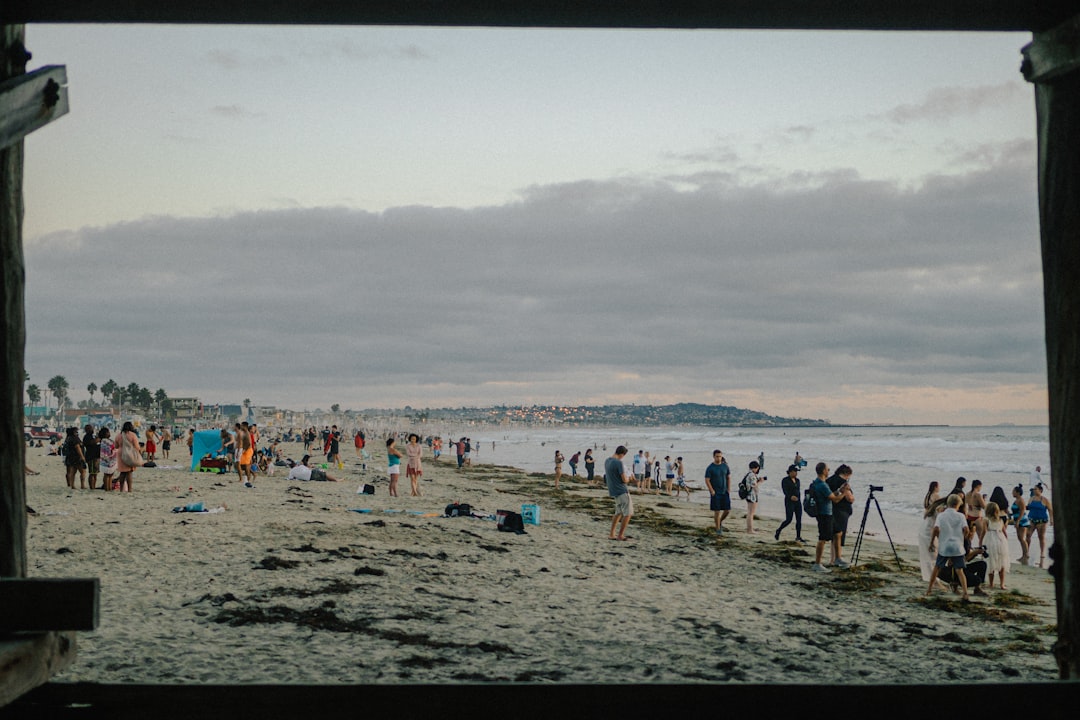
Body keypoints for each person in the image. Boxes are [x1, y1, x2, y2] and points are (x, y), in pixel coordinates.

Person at [926, 493, 971, 599]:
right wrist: (963, 538)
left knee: (937, 568)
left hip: (944, 546)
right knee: (959, 570)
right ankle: (965, 592)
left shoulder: (941, 516)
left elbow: (936, 529)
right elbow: (966, 529)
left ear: (948, 503)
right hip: (957, 546)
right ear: (958, 505)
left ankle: (929, 589)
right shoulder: (961, 516)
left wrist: (932, 542)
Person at [810, 462, 848, 572]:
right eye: (828, 469)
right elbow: (835, 499)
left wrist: (840, 490)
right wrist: (844, 493)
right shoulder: (821, 484)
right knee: (823, 538)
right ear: (823, 471)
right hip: (824, 514)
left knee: (838, 533)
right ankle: (817, 564)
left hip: (829, 513)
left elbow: (830, 495)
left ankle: (838, 558)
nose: (829, 471)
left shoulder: (820, 483)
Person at [826, 464, 855, 567]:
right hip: (842, 510)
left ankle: (832, 559)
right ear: (846, 474)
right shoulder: (843, 483)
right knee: (839, 535)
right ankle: (837, 558)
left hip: (831, 509)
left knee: (834, 535)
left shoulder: (829, 480)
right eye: (849, 476)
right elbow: (850, 499)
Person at [919, 498, 950, 586]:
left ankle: (932, 579)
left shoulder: (936, 505)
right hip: (928, 533)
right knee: (932, 557)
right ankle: (935, 581)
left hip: (924, 531)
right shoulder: (942, 509)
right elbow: (936, 527)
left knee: (929, 557)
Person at [604, 445, 632, 541]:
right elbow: (624, 479)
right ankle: (620, 535)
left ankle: (612, 534)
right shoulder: (618, 462)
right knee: (628, 513)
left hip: (613, 490)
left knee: (618, 512)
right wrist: (628, 479)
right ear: (621, 454)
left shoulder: (607, 461)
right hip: (621, 490)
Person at [1024, 484, 1053, 568]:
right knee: (1028, 535)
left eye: (1035, 489)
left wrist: (1051, 520)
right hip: (1031, 519)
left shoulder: (1044, 500)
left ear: (1040, 490)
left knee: (1041, 537)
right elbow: (1027, 507)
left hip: (1042, 521)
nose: (1034, 490)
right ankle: (1026, 551)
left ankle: (1042, 553)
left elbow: (1050, 510)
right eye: (1034, 489)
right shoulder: (1031, 498)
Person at [984, 501, 1010, 590]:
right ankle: (1002, 584)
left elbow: (984, 532)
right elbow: (1005, 533)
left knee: (991, 562)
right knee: (1002, 562)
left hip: (991, 541)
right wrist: (1006, 542)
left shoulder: (986, 520)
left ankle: (991, 584)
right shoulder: (1001, 520)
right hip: (1001, 540)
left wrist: (981, 543)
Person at [704, 450, 731, 535]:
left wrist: (729, 489)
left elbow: (728, 477)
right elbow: (707, 480)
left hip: (724, 491)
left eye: (720, 456)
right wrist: (711, 490)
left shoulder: (725, 466)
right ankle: (718, 529)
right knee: (717, 511)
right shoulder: (710, 468)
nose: (718, 458)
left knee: (727, 510)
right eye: (717, 456)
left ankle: (720, 521)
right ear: (714, 457)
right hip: (715, 492)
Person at [775, 464, 804, 542]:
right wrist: (790, 496)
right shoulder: (785, 480)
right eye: (795, 471)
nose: (796, 473)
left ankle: (798, 536)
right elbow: (785, 491)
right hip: (789, 501)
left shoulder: (797, 480)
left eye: (796, 472)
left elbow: (798, 491)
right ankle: (779, 530)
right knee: (789, 519)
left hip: (797, 502)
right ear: (790, 472)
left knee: (799, 519)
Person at [116, 421, 142, 493]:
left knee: (122, 472)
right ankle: (129, 489)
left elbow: (116, 446)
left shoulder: (119, 435)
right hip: (130, 454)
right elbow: (137, 446)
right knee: (129, 472)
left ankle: (121, 489)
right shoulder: (133, 435)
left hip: (121, 453)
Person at [741, 460, 765, 534]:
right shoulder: (752, 475)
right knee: (751, 513)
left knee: (749, 512)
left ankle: (750, 528)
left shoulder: (748, 474)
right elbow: (754, 486)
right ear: (756, 468)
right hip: (752, 495)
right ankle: (750, 530)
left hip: (748, 495)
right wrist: (760, 482)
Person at [1010, 484, 1031, 564]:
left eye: (1013, 491)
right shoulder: (1016, 500)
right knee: (1020, 538)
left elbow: (1022, 511)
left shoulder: (1020, 500)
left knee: (1022, 538)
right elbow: (1016, 511)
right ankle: (1024, 554)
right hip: (1017, 520)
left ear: (1018, 492)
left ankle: (1026, 554)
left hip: (1022, 521)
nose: (1012, 493)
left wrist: (1018, 520)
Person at [966, 479, 988, 545]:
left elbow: (968, 505)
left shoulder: (967, 494)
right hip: (977, 517)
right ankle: (982, 552)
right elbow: (984, 506)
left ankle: (968, 550)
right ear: (978, 486)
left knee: (969, 537)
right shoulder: (978, 495)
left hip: (969, 516)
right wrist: (984, 500)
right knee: (981, 537)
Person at [82, 424, 100, 490]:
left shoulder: (92, 436)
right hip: (91, 456)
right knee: (92, 473)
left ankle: (93, 486)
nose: (92, 430)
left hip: (96, 456)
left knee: (95, 473)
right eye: (90, 429)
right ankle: (92, 487)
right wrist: (98, 438)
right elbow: (93, 442)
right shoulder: (87, 437)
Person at [98, 427, 116, 492]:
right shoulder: (105, 441)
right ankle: (107, 488)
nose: (109, 433)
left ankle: (109, 487)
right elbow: (111, 448)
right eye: (108, 432)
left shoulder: (104, 441)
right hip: (108, 459)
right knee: (108, 475)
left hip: (108, 459)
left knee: (109, 475)